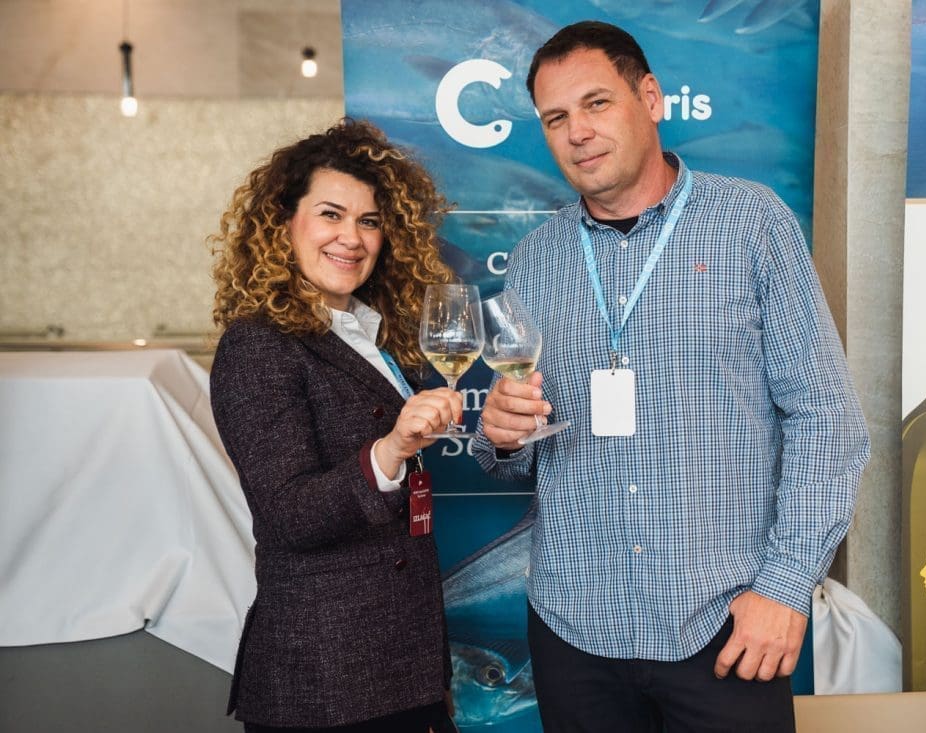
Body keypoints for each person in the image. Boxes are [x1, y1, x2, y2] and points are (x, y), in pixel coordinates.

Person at [472, 21, 870, 732]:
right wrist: (501, 435)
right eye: (556, 118)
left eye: (596, 103)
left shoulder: (752, 224)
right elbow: (519, 454)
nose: (577, 132)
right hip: (574, 628)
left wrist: (786, 588)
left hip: (726, 625)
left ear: (650, 98)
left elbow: (826, 420)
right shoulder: (535, 259)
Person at [209, 119, 461, 733]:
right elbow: (289, 515)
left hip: (400, 666)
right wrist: (390, 450)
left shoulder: (370, 334)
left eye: (369, 221)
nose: (352, 237)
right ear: (283, 223)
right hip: (324, 681)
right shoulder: (258, 345)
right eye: (330, 215)